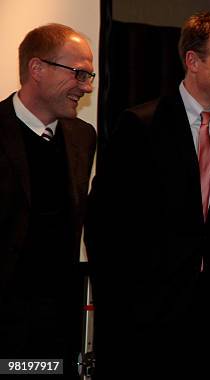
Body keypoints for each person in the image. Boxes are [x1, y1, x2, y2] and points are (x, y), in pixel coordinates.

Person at [85, 10, 210, 378]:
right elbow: (103, 226)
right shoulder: (140, 125)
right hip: (146, 318)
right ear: (192, 60)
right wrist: (122, 307)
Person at [0, 23, 96, 377]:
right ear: (36, 69)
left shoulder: (83, 136)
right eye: (79, 73)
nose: (86, 87)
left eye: (89, 76)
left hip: (56, 323)